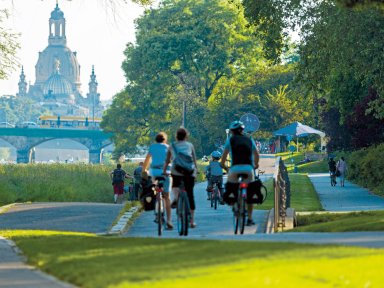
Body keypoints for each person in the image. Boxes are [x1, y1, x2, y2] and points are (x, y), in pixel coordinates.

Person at [220, 120, 260, 226]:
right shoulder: (249, 139)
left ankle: (234, 205)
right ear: (242, 130)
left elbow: (223, 157)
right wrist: (256, 164)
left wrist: (224, 166)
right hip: (248, 169)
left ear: (232, 131)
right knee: (251, 193)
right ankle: (250, 218)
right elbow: (256, 154)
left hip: (235, 168)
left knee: (230, 187)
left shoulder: (230, 140)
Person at [163, 127, 199, 228]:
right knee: (190, 194)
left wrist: (164, 171)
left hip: (177, 170)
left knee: (175, 185)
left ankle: (175, 197)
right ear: (186, 136)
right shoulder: (190, 145)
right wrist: (196, 170)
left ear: (176, 136)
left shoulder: (172, 146)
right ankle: (192, 221)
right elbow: (194, 160)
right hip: (189, 171)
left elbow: (167, 161)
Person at [142, 132, 173, 230]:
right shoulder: (168, 147)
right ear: (165, 140)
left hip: (154, 172)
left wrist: (144, 170)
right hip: (166, 172)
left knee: (154, 187)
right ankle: (168, 221)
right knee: (167, 197)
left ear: (156, 140)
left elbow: (147, 159)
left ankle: (156, 198)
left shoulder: (152, 147)